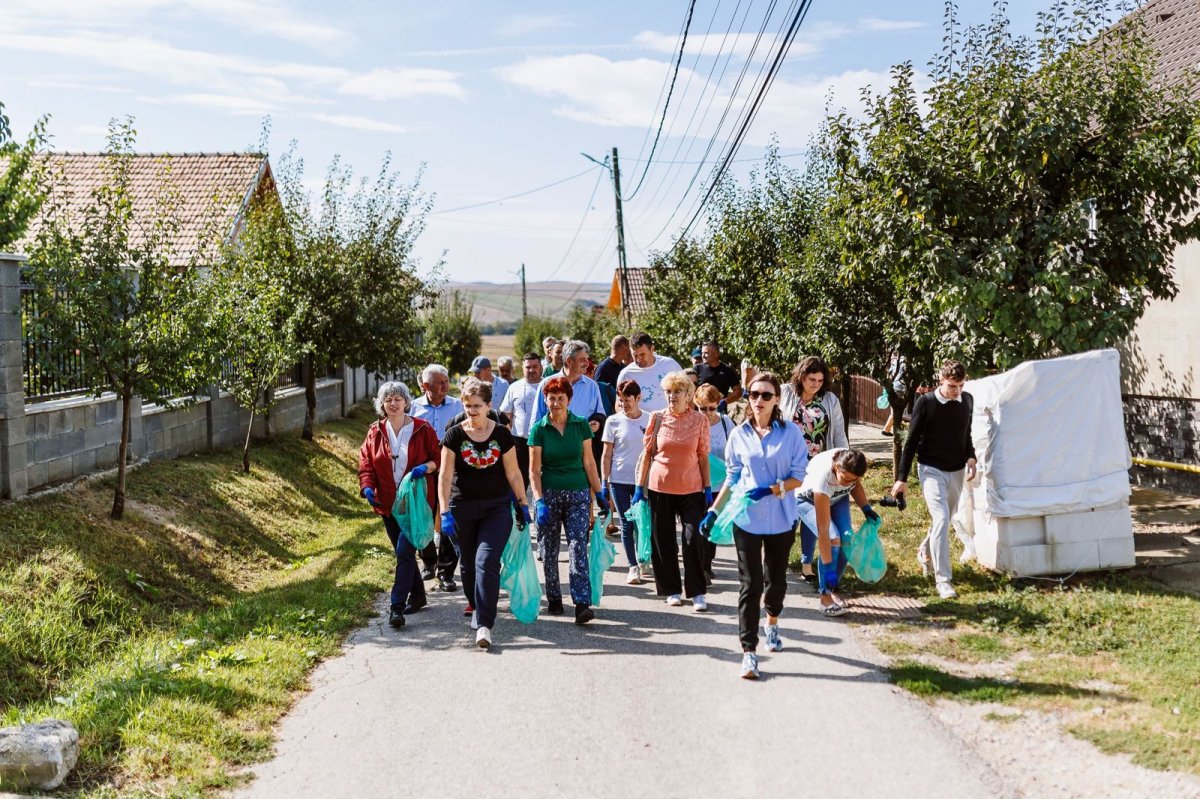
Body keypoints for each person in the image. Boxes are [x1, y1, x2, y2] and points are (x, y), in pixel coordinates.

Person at [701, 371, 808, 679]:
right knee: (751, 584)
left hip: (782, 519)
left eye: (765, 395)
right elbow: (733, 478)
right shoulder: (739, 434)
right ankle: (749, 652)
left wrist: (773, 489)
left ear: (776, 400)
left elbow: (799, 476)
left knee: (775, 582)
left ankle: (772, 621)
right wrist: (713, 510)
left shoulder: (791, 435)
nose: (758, 400)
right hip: (747, 519)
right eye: (753, 394)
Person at [438, 378, 531, 649]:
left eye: (477, 406)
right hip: (462, 508)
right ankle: (476, 603)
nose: (472, 411)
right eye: (467, 406)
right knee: (467, 564)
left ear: (489, 405)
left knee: (486, 560)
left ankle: (484, 624)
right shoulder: (454, 434)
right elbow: (444, 477)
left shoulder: (502, 434)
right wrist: (444, 511)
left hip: (496, 506)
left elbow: (513, 473)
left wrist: (522, 503)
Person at [891, 360, 977, 600]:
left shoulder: (967, 400)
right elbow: (910, 442)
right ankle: (943, 580)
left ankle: (925, 549)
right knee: (940, 518)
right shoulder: (926, 402)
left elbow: (966, 432)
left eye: (960, 385)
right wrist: (902, 478)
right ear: (941, 379)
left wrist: (971, 455)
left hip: (957, 469)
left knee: (945, 519)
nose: (956, 391)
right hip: (930, 469)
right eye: (952, 385)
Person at [358, 381, 440, 629]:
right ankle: (418, 595)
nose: (393, 404)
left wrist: (423, 468)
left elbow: (437, 459)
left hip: (414, 504)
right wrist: (367, 487)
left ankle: (396, 607)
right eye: (388, 400)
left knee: (404, 553)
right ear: (382, 404)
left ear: (407, 402)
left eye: (397, 399)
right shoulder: (375, 431)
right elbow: (366, 464)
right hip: (387, 504)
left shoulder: (422, 429)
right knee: (403, 554)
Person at [528, 375, 608, 624]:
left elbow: (589, 461)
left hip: (578, 494)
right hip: (549, 494)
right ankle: (553, 597)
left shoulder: (581, 425)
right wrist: (539, 500)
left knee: (577, 547)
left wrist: (599, 493)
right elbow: (533, 470)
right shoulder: (538, 429)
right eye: (551, 398)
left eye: (560, 398)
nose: (555, 403)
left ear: (569, 400)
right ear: (545, 399)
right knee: (548, 551)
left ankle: (581, 602)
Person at [634, 370, 712, 610]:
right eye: (668, 392)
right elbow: (647, 454)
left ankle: (697, 592)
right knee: (663, 540)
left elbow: (703, 457)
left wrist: (708, 488)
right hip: (660, 487)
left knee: (693, 539)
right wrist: (639, 487)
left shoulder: (700, 420)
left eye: (677, 391)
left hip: (691, 489)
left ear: (688, 395)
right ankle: (672, 590)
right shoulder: (657, 418)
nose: (672, 396)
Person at [779, 356, 850, 585]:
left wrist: (843, 460)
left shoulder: (829, 400)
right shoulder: (785, 393)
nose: (816, 384)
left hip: (818, 465)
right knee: (789, 516)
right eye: (812, 379)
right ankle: (776, 558)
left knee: (813, 511)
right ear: (801, 376)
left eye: (820, 380)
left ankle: (807, 563)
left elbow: (838, 433)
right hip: (791, 465)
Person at [795, 447, 877, 616]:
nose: (847, 483)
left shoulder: (851, 466)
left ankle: (832, 588)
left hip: (837, 496)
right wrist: (829, 569)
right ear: (836, 468)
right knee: (834, 538)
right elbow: (824, 532)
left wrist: (866, 508)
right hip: (807, 499)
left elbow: (855, 485)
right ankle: (825, 597)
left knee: (847, 540)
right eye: (844, 478)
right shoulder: (823, 478)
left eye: (852, 480)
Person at [410, 364, 464, 591]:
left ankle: (446, 571)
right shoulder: (413, 408)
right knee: (422, 516)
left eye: (446, 381)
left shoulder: (457, 406)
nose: (446, 386)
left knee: (448, 515)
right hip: (423, 470)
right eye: (440, 382)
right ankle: (428, 561)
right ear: (425, 386)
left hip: (451, 469)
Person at [601, 379, 650, 585]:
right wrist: (604, 482)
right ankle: (632, 566)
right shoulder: (612, 421)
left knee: (643, 523)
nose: (624, 405)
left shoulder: (650, 419)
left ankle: (644, 557)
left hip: (644, 480)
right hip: (619, 479)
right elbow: (606, 454)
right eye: (621, 400)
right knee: (627, 524)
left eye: (628, 400)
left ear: (639, 398)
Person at [696, 383, 732, 580]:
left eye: (712, 408)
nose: (708, 413)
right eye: (703, 408)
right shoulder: (693, 422)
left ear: (718, 404)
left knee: (713, 527)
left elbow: (734, 452)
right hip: (697, 484)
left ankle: (708, 563)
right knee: (697, 526)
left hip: (720, 485)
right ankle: (701, 567)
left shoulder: (726, 423)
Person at [532, 340, 606, 427]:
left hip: (582, 439)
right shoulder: (547, 384)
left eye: (587, 359)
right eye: (583, 360)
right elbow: (536, 420)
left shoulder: (592, 386)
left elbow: (600, 413)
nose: (587, 364)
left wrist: (596, 422)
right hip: (553, 439)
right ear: (569, 361)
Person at [499, 352, 544, 491]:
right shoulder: (514, 387)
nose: (531, 370)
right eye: (528, 367)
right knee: (519, 482)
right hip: (520, 442)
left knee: (543, 482)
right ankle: (520, 511)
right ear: (522, 368)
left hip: (544, 442)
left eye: (535, 366)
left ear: (541, 367)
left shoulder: (548, 385)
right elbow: (506, 415)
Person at [616, 331, 683, 412]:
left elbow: (688, 392)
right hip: (642, 422)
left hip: (671, 419)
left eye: (642, 354)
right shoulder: (626, 374)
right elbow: (618, 405)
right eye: (635, 355)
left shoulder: (670, 365)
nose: (638, 359)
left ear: (652, 349)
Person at [696, 341, 743, 406]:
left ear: (716, 354)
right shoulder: (697, 369)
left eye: (706, 353)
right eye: (702, 353)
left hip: (719, 411)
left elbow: (738, 391)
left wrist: (724, 401)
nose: (703, 356)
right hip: (700, 411)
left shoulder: (727, 370)